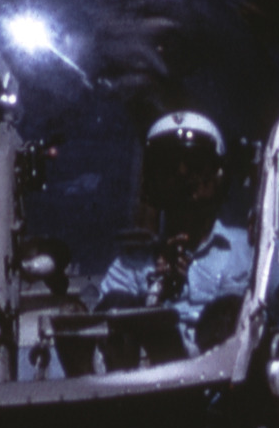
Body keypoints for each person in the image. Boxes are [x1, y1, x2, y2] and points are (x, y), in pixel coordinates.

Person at [96, 110, 253, 340]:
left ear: (218, 176)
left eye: (195, 164)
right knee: (116, 306)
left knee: (229, 311)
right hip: (146, 374)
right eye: (168, 167)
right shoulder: (130, 266)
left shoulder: (247, 252)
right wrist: (156, 290)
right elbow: (102, 337)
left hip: (223, 372)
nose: (182, 176)